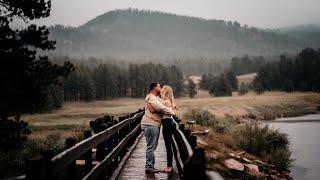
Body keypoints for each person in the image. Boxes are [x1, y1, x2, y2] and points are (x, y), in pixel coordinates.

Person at [141, 82, 176, 174]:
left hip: (154, 124)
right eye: (159, 86)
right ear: (154, 88)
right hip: (151, 124)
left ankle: (151, 166)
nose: (160, 88)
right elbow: (160, 107)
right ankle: (149, 167)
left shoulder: (153, 98)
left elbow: (156, 107)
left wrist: (173, 105)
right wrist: (172, 112)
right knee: (151, 146)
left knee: (152, 146)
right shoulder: (152, 98)